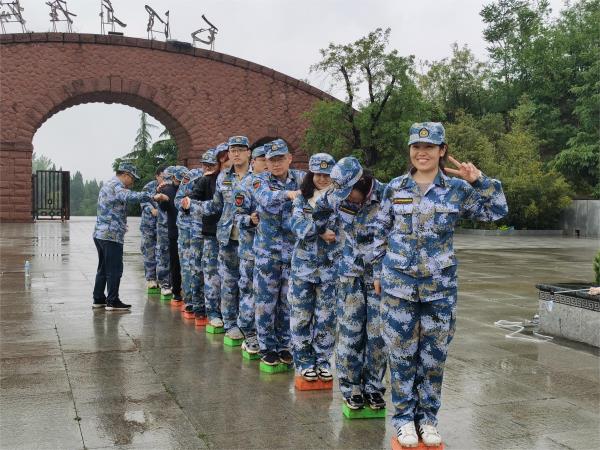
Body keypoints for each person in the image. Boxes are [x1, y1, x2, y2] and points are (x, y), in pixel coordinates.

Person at [372, 122, 508, 447]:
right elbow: (378, 232)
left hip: (439, 288)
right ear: (410, 150)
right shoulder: (394, 188)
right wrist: (376, 273)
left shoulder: (457, 189)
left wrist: (479, 180)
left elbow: (497, 211)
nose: (422, 153)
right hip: (398, 287)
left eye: (429, 147)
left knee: (433, 358)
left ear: (442, 150)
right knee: (401, 355)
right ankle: (404, 420)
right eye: (416, 147)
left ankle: (428, 419)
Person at [312, 157, 387, 410]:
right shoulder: (336, 196)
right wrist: (321, 230)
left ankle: (373, 387)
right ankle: (351, 388)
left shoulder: (387, 195)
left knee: (378, 336)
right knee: (350, 333)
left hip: (379, 276)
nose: (346, 199)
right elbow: (319, 209)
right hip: (350, 274)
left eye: (350, 193)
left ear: (362, 182)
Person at [183, 136, 253, 340]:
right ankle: (230, 323)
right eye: (233, 150)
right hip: (227, 238)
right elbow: (215, 206)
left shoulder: (258, 177)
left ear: (248, 152)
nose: (236, 154)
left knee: (248, 284)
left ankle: (247, 325)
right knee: (228, 283)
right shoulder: (223, 178)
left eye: (240, 150)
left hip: (250, 239)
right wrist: (192, 205)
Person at [252, 139, 305, 365]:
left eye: (280, 159)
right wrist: (288, 194)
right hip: (267, 253)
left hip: (292, 253)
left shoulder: (301, 178)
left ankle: (284, 345)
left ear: (289, 158)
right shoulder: (259, 180)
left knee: (287, 301)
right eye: (271, 160)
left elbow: (321, 190)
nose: (276, 164)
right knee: (266, 302)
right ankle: (267, 347)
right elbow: (264, 199)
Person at [289, 153, 339, 382]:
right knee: (301, 316)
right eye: (318, 174)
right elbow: (297, 225)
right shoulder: (302, 199)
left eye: (327, 174)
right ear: (311, 174)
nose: (322, 178)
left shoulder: (340, 198)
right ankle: (304, 362)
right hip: (303, 268)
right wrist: (319, 231)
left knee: (326, 318)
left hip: (330, 268)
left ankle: (323, 361)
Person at [92, 162, 166, 310]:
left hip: (101, 233)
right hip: (111, 235)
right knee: (114, 269)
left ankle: (99, 298)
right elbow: (130, 196)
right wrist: (152, 196)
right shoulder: (116, 186)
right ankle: (112, 301)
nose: (132, 183)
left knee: (104, 268)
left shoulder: (109, 184)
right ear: (126, 175)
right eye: (132, 178)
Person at [182, 145, 230, 327]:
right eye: (206, 165)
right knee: (204, 273)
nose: (208, 167)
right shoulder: (206, 181)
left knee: (228, 277)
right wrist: (189, 204)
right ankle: (202, 308)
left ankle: (227, 313)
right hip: (208, 233)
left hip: (231, 235)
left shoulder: (239, 179)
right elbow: (190, 203)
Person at [233, 145, 268, 354]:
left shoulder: (278, 185)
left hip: (274, 252)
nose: (267, 164)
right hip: (250, 250)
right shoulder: (245, 186)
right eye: (262, 159)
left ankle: (269, 336)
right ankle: (249, 333)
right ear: (253, 161)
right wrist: (250, 219)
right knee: (249, 292)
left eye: (269, 159)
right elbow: (236, 217)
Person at [156, 166, 189, 303]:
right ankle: (176, 292)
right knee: (175, 263)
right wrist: (161, 198)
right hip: (174, 232)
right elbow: (163, 207)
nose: (180, 183)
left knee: (188, 264)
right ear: (174, 178)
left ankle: (187, 292)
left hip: (189, 232)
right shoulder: (168, 190)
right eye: (178, 180)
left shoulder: (189, 189)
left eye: (183, 180)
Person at [176, 168, 205, 316]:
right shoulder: (192, 176)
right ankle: (190, 301)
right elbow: (177, 200)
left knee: (205, 266)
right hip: (187, 228)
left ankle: (205, 302)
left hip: (208, 228)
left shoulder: (222, 176)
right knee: (188, 264)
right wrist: (186, 206)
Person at [139, 166, 165, 290]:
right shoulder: (149, 187)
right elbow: (143, 201)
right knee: (149, 251)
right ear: (157, 176)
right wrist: (151, 209)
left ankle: (162, 279)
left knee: (162, 252)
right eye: (162, 177)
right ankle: (151, 279)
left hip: (162, 225)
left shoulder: (168, 187)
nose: (164, 179)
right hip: (148, 225)